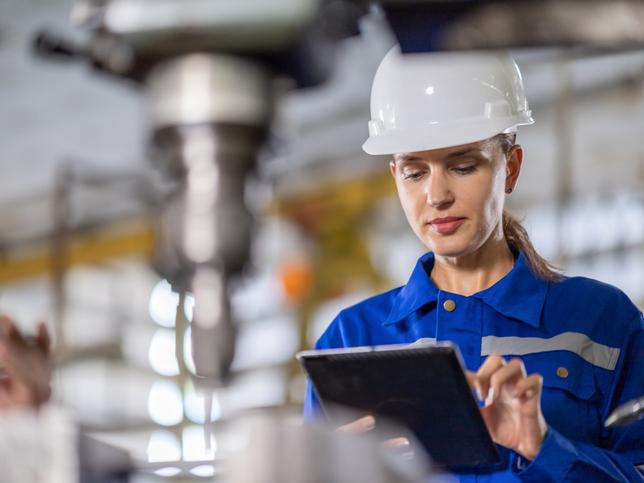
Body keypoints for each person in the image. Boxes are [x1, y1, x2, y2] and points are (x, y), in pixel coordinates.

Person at [304, 47, 644, 481]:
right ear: (395, 177)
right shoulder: (350, 340)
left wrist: (543, 447)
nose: (437, 195)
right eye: (415, 172)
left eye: (463, 166)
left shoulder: (604, 322)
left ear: (511, 168)